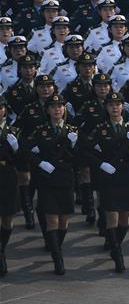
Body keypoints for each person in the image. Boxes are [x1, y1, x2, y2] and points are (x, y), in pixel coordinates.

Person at [81, 92, 129, 272]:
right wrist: (101, 164)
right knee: (112, 216)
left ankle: (115, 242)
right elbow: (87, 151)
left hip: (126, 175)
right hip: (109, 175)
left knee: (125, 218)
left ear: (122, 107)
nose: (115, 107)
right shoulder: (101, 129)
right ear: (106, 108)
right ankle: (117, 255)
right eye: (111, 104)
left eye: (118, 104)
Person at [24, 93, 77, 275]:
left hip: (65, 178)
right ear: (48, 110)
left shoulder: (72, 130)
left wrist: (74, 145)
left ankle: (56, 245)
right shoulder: (41, 130)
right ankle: (58, 259)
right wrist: (40, 163)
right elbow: (28, 151)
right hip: (47, 179)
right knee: (52, 219)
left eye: (60, 106)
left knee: (64, 220)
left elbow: (81, 155)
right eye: (53, 107)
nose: (57, 109)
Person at [0, 97, 20, 275]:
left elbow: (22, 160)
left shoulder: (13, 131)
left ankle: (2, 247)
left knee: (7, 218)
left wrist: (16, 149)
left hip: (7, 178)